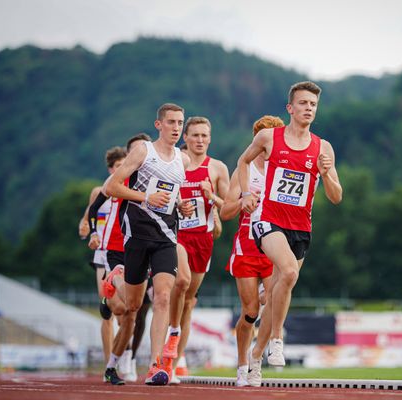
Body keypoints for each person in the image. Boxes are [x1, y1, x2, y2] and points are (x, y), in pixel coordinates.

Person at [236, 82, 342, 386]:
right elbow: (243, 162)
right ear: (290, 108)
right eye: (304, 103)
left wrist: (326, 172)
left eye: (313, 104)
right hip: (268, 221)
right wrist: (245, 194)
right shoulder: (269, 137)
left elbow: (336, 196)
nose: (309, 108)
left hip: (301, 228)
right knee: (289, 272)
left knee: (279, 289)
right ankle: (278, 339)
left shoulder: (323, 148)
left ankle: (256, 356)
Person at [104, 103, 194, 386]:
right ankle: (116, 277)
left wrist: (181, 205)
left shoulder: (184, 159)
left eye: (180, 123)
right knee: (133, 304)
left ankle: (156, 365)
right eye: (171, 122)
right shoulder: (144, 150)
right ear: (159, 125)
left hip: (166, 236)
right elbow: (111, 187)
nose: (176, 128)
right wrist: (144, 198)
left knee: (163, 297)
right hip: (138, 234)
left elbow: (171, 194)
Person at [162, 116, 229, 384]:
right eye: (195, 135)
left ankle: (174, 364)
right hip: (174, 234)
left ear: (210, 138)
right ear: (185, 138)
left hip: (203, 240)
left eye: (204, 135)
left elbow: (230, 208)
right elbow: (159, 194)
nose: (200, 140)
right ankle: (172, 331)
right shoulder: (173, 161)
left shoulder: (218, 168)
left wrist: (210, 195)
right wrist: (178, 204)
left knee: (189, 302)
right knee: (182, 280)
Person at [220, 115, 284, 386]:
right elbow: (225, 212)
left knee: (272, 299)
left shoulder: (282, 169)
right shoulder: (244, 171)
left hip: (273, 245)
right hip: (246, 245)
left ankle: (256, 363)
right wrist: (244, 201)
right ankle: (241, 364)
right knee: (250, 312)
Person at [88, 134, 152, 385]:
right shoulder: (117, 181)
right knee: (120, 308)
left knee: (132, 314)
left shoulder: (156, 179)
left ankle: (112, 367)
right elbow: (94, 209)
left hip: (141, 248)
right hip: (114, 249)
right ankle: (109, 291)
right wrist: (93, 232)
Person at [77, 146, 126, 369]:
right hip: (102, 252)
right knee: (106, 307)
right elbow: (87, 219)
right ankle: (109, 361)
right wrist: (86, 230)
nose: (121, 169)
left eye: (124, 165)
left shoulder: (127, 190)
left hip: (122, 251)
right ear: (110, 169)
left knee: (122, 309)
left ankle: (121, 357)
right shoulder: (100, 192)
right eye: (117, 166)